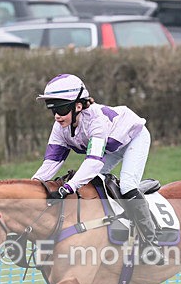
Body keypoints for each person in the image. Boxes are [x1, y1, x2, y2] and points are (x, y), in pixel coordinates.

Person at [32, 73, 164, 264]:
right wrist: (32, 185)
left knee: (127, 186)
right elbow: (52, 162)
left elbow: (93, 161)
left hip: (134, 139)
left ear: (78, 106)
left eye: (61, 109)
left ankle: (152, 244)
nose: (57, 116)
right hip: (109, 147)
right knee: (91, 184)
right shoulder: (59, 127)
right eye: (52, 109)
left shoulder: (96, 120)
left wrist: (68, 187)